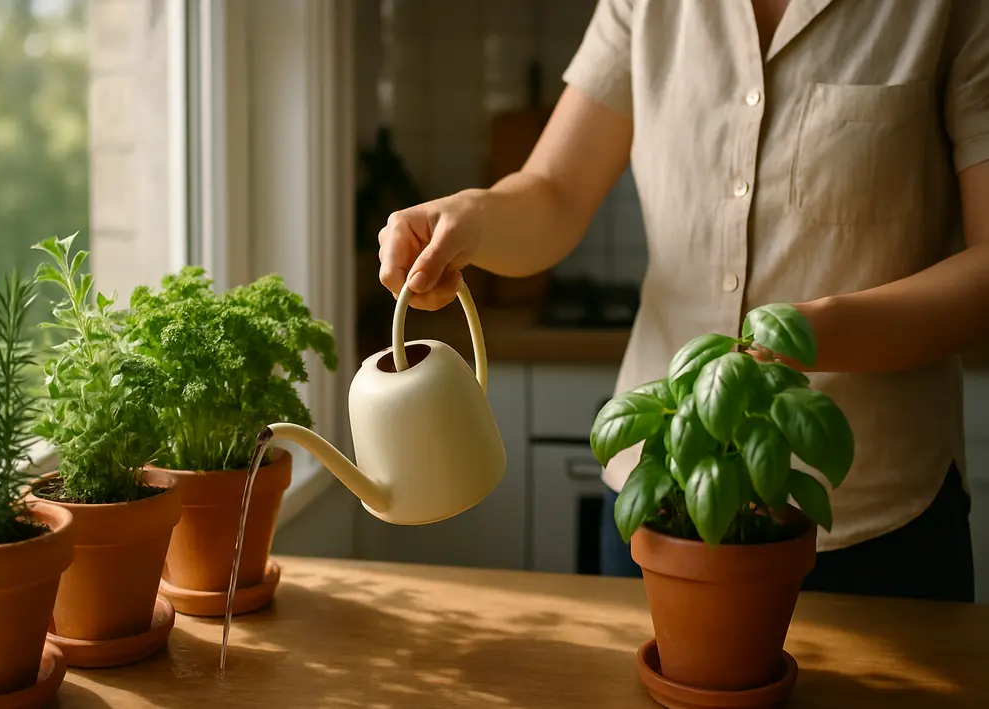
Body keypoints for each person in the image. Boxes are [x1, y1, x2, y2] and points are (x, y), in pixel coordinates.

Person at [376, 0, 989, 602]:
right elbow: (554, 192)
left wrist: (816, 332)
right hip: (662, 494)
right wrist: (471, 218)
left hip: (876, 526)